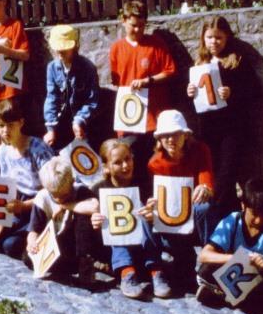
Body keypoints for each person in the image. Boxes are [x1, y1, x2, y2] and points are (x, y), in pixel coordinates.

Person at [185, 16, 253, 215]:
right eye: (209, 37)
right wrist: (189, 92)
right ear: (203, 39)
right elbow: (199, 100)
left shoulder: (236, 61)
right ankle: (230, 224)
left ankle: (220, 220)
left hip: (232, 130)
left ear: (226, 38)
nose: (213, 42)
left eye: (218, 38)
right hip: (208, 130)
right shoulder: (200, 62)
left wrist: (233, 93)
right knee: (218, 180)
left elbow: (254, 92)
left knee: (225, 179)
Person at [90, 138, 172, 300]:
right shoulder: (99, 190)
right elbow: (92, 226)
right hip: (115, 254)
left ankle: (156, 270)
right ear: (106, 167)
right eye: (118, 163)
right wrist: (96, 220)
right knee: (113, 213)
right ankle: (126, 272)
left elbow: (161, 218)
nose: (126, 166)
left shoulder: (144, 184)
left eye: (128, 159)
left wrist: (153, 215)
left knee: (141, 207)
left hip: (145, 248)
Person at [195, 177, 263, 314]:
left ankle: (222, 296)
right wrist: (237, 258)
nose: (258, 220)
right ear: (243, 206)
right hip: (233, 274)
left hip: (260, 279)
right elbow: (204, 255)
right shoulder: (233, 221)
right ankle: (246, 301)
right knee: (206, 270)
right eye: (255, 214)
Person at [144, 109, 215, 293]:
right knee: (145, 216)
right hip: (171, 222)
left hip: (194, 217)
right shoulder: (155, 163)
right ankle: (157, 269)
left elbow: (206, 179)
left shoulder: (200, 150)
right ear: (159, 139)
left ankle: (211, 261)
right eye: (165, 135)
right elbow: (155, 196)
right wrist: (152, 206)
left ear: (185, 135)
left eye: (175, 134)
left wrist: (204, 188)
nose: (170, 140)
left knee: (204, 207)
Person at [109, 0, 176, 174]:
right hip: (129, 120)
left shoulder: (156, 43)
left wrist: (148, 81)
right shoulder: (116, 48)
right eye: (133, 25)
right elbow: (116, 82)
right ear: (123, 21)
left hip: (154, 117)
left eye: (141, 25)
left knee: (157, 164)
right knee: (130, 165)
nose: (137, 30)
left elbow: (170, 71)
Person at [0, 99, 55, 258]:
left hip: (38, 204)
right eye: (1, 126)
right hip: (17, 203)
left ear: (21, 123)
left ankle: (33, 245)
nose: (5, 130)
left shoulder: (36, 148)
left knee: (10, 245)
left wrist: (24, 206)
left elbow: (52, 189)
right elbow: (4, 188)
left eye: (11, 125)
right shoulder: (2, 151)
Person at [26, 158, 98, 284]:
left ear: (72, 182)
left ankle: (84, 262)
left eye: (63, 195)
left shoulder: (80, 190)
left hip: (78, 242)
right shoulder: (42, 198)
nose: (59, 199)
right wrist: (32, 243)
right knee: (27, 259)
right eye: (55, 195)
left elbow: (94, 207)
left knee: (83, 215)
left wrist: (66, 206)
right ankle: (68, 267)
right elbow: (33, 230)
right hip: (57, 243)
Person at [42, 24, 100, 151]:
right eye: (57, 49)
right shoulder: (52, 68)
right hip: (61, 122)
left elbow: (92, 101)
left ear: (75, 46)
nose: (60, 52)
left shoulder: (88, 68)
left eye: (64, 49)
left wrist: (79, 120)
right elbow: (52, 98)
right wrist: (51, 128)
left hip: (85, 122)